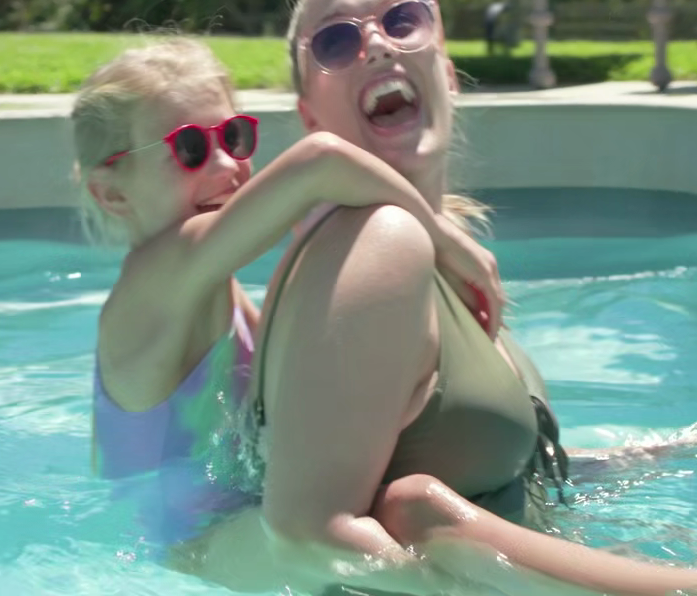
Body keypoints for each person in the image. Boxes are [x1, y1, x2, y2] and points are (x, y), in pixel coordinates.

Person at [192, 0, 697, 596]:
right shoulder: (377, 247)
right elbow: (305, 539)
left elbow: (531, 474)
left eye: (402, 20)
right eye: (336, 41)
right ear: (311, 118)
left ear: (446, 72)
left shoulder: (442, 262)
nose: (378, 46)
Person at [75, 38, 509, 561]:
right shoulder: (149, 285)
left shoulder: (225, 295)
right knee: (381, 542)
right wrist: (443, 237)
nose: (225, 165)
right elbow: (319, 161)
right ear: (112, 193)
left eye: (233, 137)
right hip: (181, 548)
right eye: (189, 149)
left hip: (236, 530)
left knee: (420, 509)